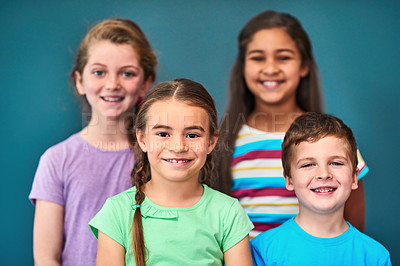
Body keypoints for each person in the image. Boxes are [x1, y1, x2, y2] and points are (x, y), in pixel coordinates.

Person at [213, 10, 368, 238]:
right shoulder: (223, 141)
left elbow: (353, 232)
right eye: (257, 57)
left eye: (283, 57)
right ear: (243, 67)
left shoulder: (334, 140)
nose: (270, 68)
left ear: (304, 66)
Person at [29, 18, 157, 266]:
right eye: (99, 72)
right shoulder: (57, 159)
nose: (112, 84)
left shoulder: (158, 156)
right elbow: (46, 258)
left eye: (127, 73)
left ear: (145, 83)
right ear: (79, 80)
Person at [89, 78, 254, 266]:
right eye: (163, 134)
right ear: (142, 138)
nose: (178, 146)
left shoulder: (228, 212)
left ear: (211, 142)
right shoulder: (116, 211)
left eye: (192, 135)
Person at [250, 112, 391, 265]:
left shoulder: (375, 256)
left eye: (336, 163)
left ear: (354, 177)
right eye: (308, 164)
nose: (324, 174)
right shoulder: (261, 251)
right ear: (289, 180)